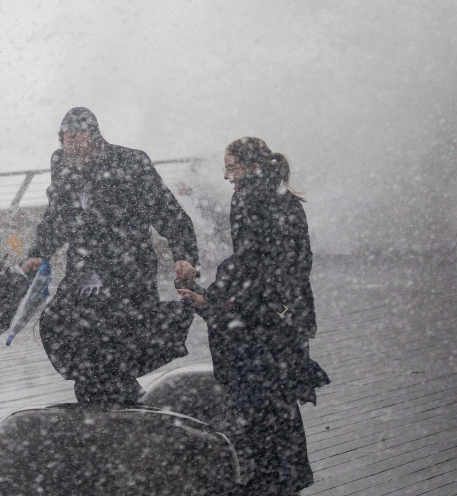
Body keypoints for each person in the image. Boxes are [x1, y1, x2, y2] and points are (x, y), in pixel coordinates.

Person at [177, 137, 329, 495]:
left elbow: (250, 264)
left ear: (250, 166)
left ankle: (268, 480)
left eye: (231, 167)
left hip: (264, 319)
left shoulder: (248, 197)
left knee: (258, 405)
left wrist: (217, 301)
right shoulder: (282, 196)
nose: (227, 176)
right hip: (287, 314)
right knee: (280, 402)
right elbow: (288, 263)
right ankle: (287, 477)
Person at [22, 107, 199, 405]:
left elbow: (167, 211)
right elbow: (58, 215)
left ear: (94, 137)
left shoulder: (131, 161)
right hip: (83, 268)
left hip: (128, 267)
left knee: (116, 342)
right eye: (66, 143)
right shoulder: (61, 161)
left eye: (78, 143)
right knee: (63, 325)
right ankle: (101, 399)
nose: (72, 153)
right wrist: (39, 252)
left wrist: (183, 254)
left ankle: (119, 402)